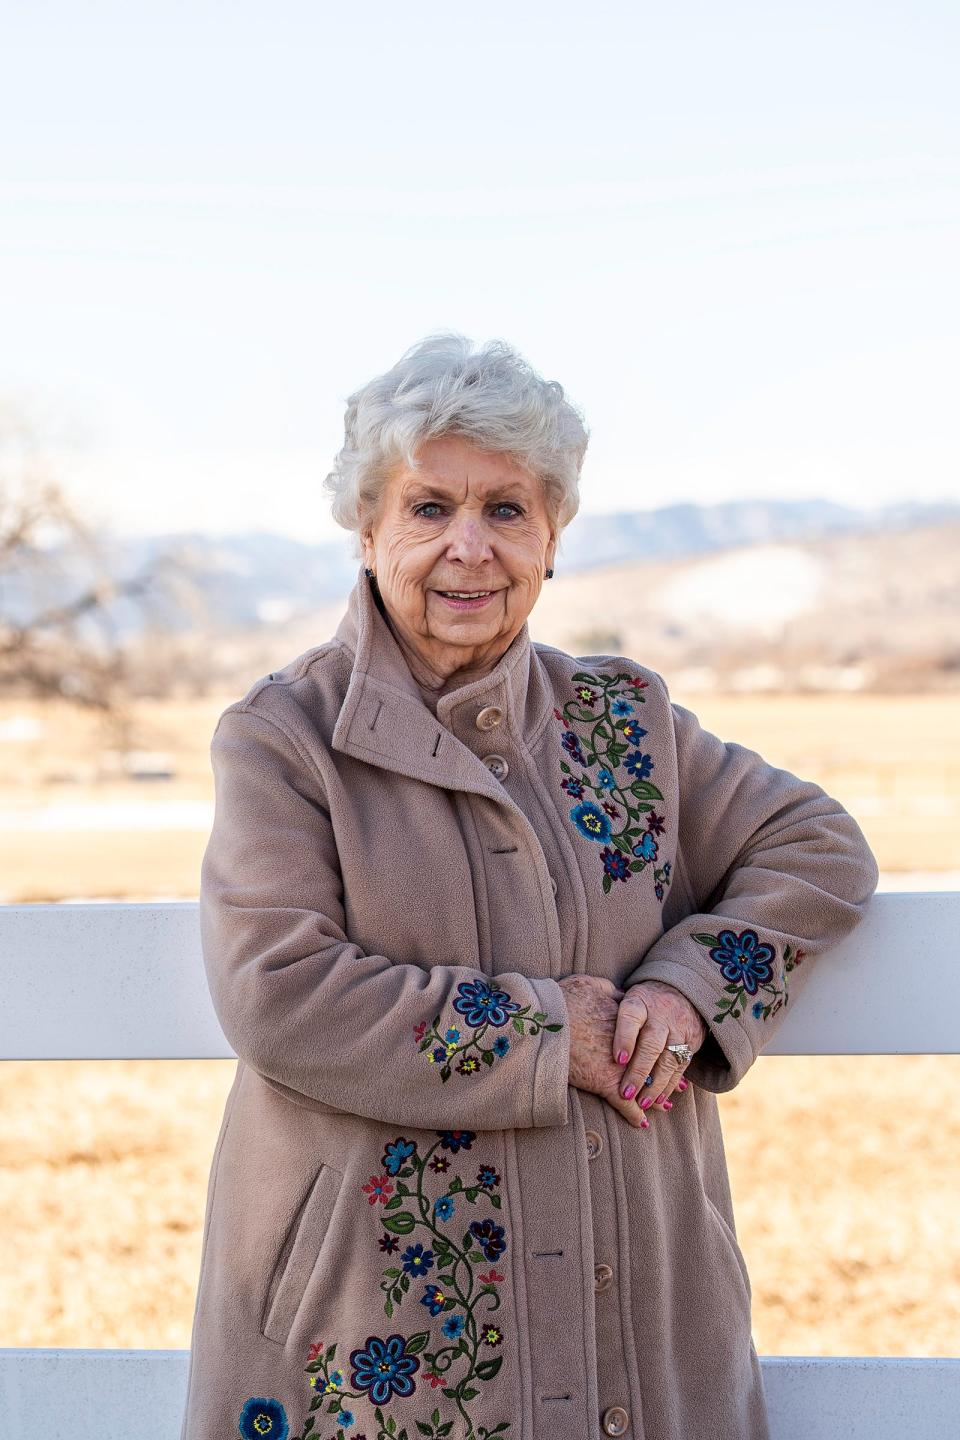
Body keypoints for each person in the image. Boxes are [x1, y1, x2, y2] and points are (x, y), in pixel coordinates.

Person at [180, 332, 879, 1440]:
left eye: (508, 509)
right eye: (429, 507)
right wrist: (559, 1036)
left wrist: (688, 991)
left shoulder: (624, 719)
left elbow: (816, 844)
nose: (471, 547)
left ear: (552, 537)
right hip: (377, 1330)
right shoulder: (288, 737)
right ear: (367, 530)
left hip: (634, 1302)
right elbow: (281, 993)